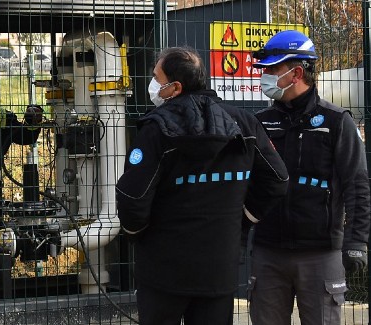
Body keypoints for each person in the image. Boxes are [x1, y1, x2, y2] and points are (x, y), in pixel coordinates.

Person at [115, 46, 289, 325]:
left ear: (175, 87)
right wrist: (243, 218)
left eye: (157, 77)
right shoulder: (243, 123)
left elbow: (132, 196)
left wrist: (137, 233)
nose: (153, 84)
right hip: (219, 268)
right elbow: (278, 179)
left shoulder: (156, 129)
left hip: (163, 270)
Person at [248, 30, 371, 325]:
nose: (264, 76)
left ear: (297, 72)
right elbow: (247, 186)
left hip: (320, 253)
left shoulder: (336, 121)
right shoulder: (260, 122)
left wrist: (357, 241)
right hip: (268, 251)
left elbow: (357, 185)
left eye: (272, 70)